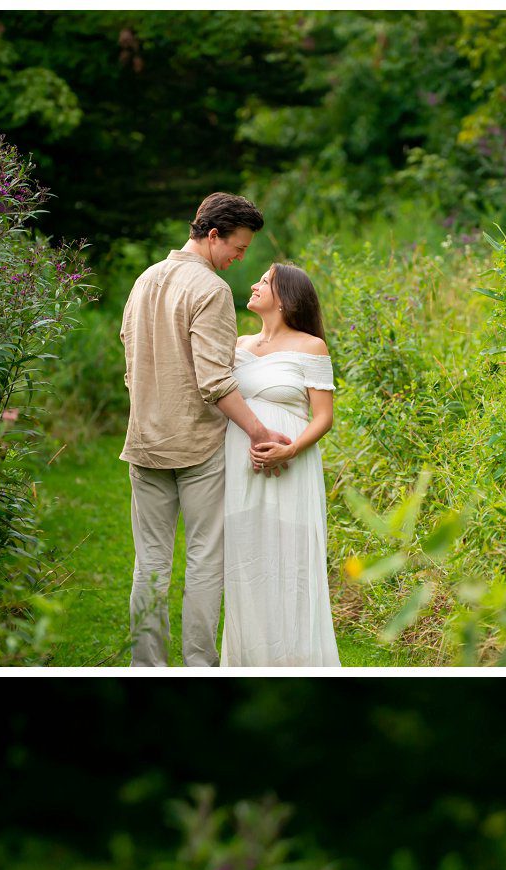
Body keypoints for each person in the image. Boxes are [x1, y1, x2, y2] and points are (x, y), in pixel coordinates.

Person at [119, 192, 291, 666]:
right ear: (213, 235)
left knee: (150, 564)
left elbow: (130, 359)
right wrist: (259, 431)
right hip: (197, 447)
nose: (240, 258)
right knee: (204, 560)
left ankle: (147, 667)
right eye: (238, 247)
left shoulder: (145, 279)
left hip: (144, 442)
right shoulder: (211, 290)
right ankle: (199, 666)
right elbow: (215, 382)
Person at [220, 263, 341, 667]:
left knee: (290, 558)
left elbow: (323, 416)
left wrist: (291, 450)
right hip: (241, 463)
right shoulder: (239, 345)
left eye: (265, 281)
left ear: (286, 298)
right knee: (247, 555)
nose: (254, 285)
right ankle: (249, 660)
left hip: (292, 465)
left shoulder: (311, 347)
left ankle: (296, 660)